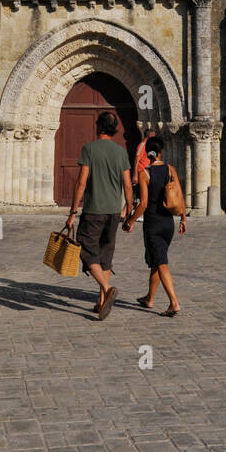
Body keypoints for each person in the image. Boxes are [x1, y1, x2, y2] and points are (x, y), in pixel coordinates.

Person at [65, 111, 133, 320]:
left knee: (85, 250)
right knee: (105, 256)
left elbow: (81, 182)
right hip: (113, 212)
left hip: (94, 211)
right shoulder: (121, 152)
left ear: (99, 127)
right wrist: (128, 212)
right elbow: (128, 185)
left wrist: (73, 212)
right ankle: (101, 302)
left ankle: (107, 287)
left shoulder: (89, 149)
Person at [123, 135, 186, 316]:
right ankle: (149, 298)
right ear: (160, 152)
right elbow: (179, 195)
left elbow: (142, 204)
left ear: (147, 153)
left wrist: (130, 221)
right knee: (156, 261)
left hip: (154, 224)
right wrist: (183, 218)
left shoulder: (145, 173)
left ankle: (174, 303)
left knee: (161, 263)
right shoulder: (170, 169)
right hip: (168, 224)